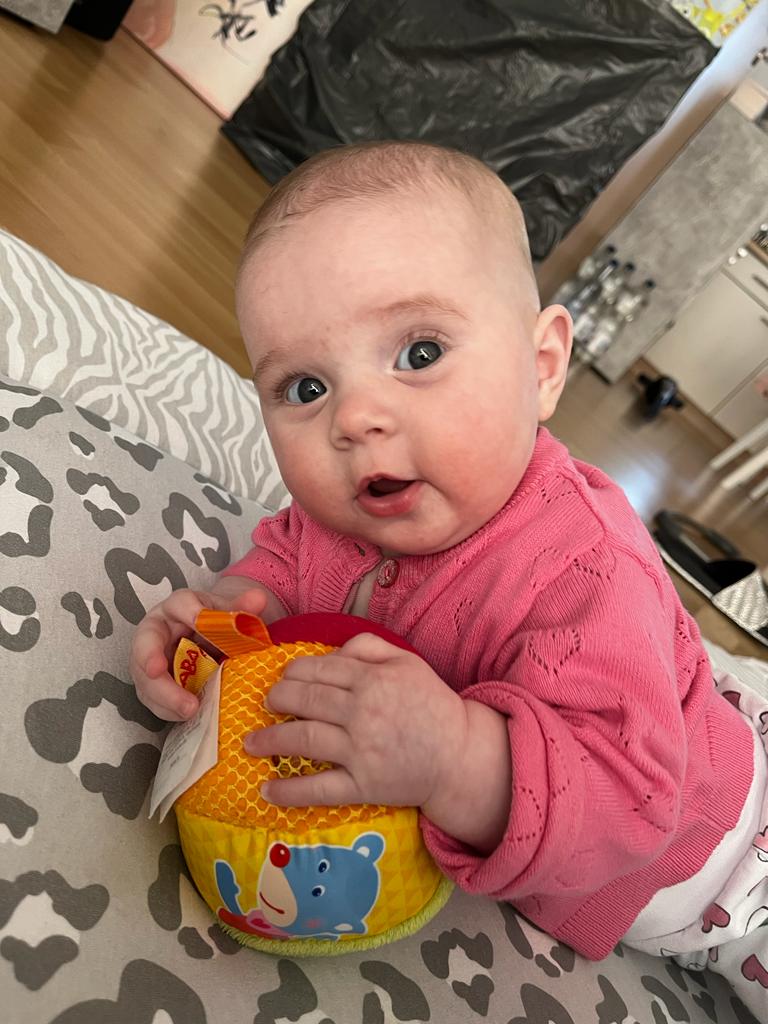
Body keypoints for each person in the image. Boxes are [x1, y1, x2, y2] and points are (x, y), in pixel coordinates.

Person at [131, 141, 768, 1013]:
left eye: (420, 352)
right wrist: (223, 621)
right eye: (305, 387)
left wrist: (455, 758)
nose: (356, 417)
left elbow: (634, 800)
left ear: (542, 368)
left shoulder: (585, 568)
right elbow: (285, 562)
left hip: (728, 864)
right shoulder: (344, 514)